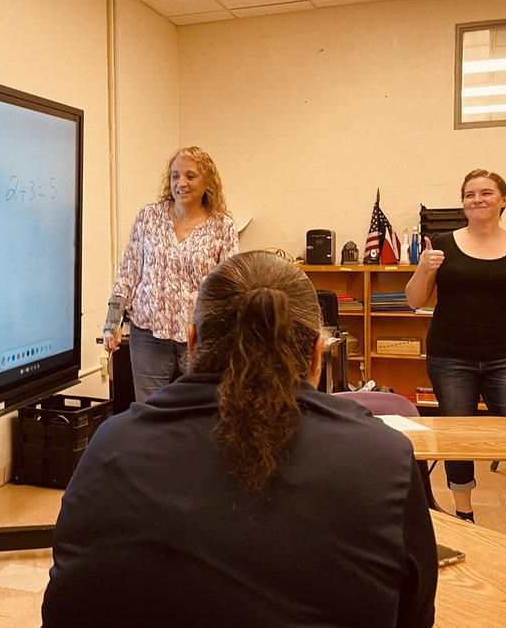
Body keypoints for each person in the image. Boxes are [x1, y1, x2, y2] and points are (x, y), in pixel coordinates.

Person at [46, 251, 437, 627]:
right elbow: (415, 616)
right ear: (317, 356)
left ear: (194, 343)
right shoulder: (384, 460)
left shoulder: (111, 444)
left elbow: (65, 608)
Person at [404, 168, 506, 553]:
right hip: (449, 355)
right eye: (469, 194)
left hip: (503, 357)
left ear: (504, 199)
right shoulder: (441, 244)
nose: (477, 199)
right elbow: (414, 301)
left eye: (486, 193)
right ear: (463, 202)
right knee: (456, 436)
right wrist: (424, 268)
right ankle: (464, 516)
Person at [102, 146, 238, 403]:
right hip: (148, 334)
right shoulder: (149, 216)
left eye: (190, 176)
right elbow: (128, 271)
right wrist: (112, 323)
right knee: (149, 412)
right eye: (175, 176)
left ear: (208, 182)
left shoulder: (222, 226)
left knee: (201, 410)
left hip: (199, 336)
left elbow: (229, 288)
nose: (181, 183)